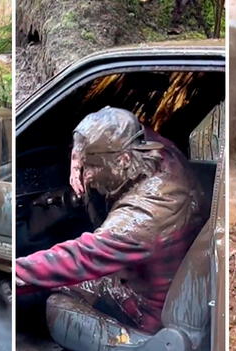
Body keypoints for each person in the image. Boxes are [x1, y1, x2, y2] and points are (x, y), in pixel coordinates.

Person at [15, 106, 207, 334]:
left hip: (144, 309)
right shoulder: (161, 152)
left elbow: (83, 255)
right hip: (155, 280)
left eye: (94, 165)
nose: (87, 174)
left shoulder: (144, 216)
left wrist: (16, 272)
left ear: (124, 159)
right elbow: (131, 127)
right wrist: (79, 154)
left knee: (51, 285)